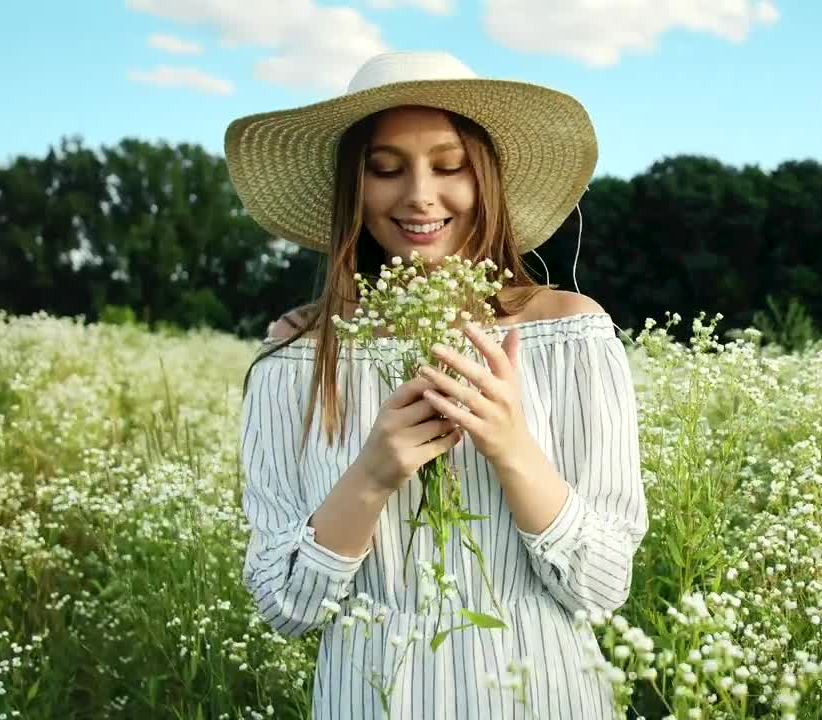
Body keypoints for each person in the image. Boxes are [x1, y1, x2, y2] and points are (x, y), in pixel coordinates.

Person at [228, 50, 648, 719]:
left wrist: (512, 447)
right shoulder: (295, 361)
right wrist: (371, 475)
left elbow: (602, 586)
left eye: (449, 166)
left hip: (541, 696)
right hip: (370, 698)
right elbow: (286, 609)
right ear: (353, 188)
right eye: (386, 169)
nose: (420, 194)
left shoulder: (571, 335)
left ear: (484, 179)